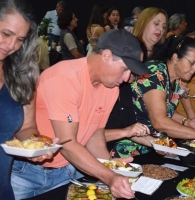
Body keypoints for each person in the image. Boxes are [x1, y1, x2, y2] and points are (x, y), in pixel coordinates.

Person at [11, 29, 150, 199]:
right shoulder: (65, 78)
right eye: (124, 69)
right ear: (106, 55)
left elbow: (95, 134)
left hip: (68, 170)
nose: (128, 77)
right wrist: (110, 177)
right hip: (27, 174)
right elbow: (67, 144)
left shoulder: (111, 87)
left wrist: (111, 168)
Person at [0, 0, 53, 199]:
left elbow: (26, 127)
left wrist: (36, 146)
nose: (11, 45)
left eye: (20, 39)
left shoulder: (22, 75)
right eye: (6, 34)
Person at [130, 36, 195, 150]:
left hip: (156, 146)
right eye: (192, 63)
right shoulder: (155, 73)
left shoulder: (176, 80)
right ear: (176, 58)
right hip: (132, 149)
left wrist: (186, 122)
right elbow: (159, 121)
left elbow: (166, 110)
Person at [107, 7, 168, 158]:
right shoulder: (127, 47)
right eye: (156, 23)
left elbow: (127, 124)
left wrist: (156, 144)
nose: (160, 29)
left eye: (164, 26)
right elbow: (91, 135)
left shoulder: (160, 56)